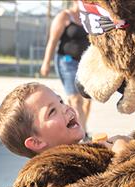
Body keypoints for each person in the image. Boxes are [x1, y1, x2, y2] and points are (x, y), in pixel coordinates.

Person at [40, 0, 91, 135]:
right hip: (67, 62)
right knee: (76, 99)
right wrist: (46, 63)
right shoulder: (64, 16)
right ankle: (83, 135)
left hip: (85, 64)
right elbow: (53, 41)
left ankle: (76, 128)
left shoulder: (88, 17)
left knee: (86, 101)